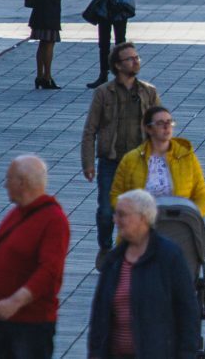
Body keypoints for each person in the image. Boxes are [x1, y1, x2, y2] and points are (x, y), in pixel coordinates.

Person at [87, 189, 201, 359]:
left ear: (143, 218)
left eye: (122, 215)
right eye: (116, 214)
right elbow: (99, 316)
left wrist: (186, 354)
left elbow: (187, 311)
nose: (116, 220)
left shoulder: (169, 257)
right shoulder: (114, 260)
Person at [0, 156, 70, 359]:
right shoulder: (16, 213)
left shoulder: (53, 220)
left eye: (8, 179)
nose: (4, 185)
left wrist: (16, 301)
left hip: (29, 324)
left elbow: (50, 271)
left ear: (22, 182)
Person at [82, 41, 162, 267]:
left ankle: (135, 252)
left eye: (137, 58)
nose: (136, 61)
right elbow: (90, 130)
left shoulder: (148, 92)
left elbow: (159, 124)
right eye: (130, 59)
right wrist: (88, 163)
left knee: (142, 211)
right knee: (107, 211)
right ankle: (105, 247)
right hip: (111, 161)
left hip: (140, 162)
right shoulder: (103, 94)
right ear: (117, 66)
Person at [110, 107, 205, 216]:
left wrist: (193, 216)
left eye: (169, 122)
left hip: (179, 224)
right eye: (160, 123)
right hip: (141, 224)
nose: (166, 127)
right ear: (148, 128)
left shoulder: (186, 157)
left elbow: (201, 195)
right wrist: (130, 214)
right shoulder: (131, 159)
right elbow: (116, 194)